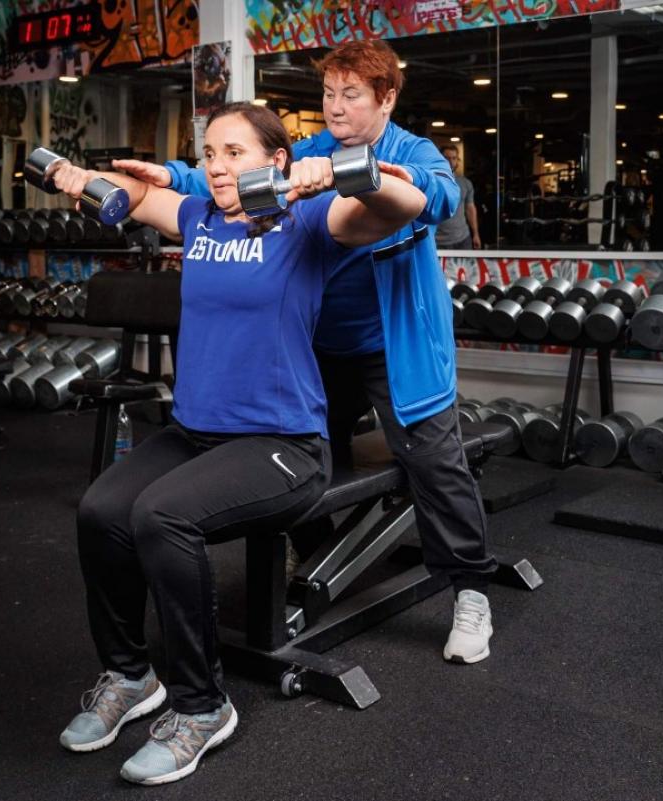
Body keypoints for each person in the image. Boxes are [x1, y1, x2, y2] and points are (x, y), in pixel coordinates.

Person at [48, 102, 427, 785]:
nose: (219, 165)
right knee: (102, 510)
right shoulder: (198, 219)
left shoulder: (307, 222)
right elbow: (137, 197)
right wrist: (86, 177)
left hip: (283, 444)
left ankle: (201, 705)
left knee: (162, 515)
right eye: (210, 153)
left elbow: (405, 204)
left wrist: (337, 172)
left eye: (236, 152)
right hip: (198, 432)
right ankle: (132, 675)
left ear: (276, 160)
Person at [118, 38, 501, 668]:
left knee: (433, 458)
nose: (336, 106)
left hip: (391, 343)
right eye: (329, 93)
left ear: (386, 98)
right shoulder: (314, 149)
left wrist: (362, 174)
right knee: (296, 453)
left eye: (351, 94)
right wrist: (176, 175)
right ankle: (318, 550)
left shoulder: (413, 151)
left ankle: (469, 588)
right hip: (321, 343)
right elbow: (244, 174)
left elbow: (438, 197)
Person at [435, 143, 481, 250]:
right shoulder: (432, 182)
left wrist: (476, 234)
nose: (450, 162)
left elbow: (470, 210)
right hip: (438, 241)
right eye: (447, 158)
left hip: (463, 239)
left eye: (454, 158)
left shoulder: (465, 183)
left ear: (457, 161)